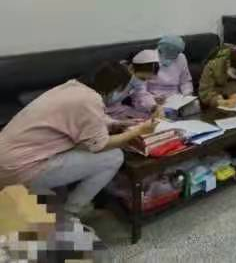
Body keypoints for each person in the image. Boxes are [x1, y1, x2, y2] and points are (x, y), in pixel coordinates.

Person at [0, 61, 157, 219]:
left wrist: (115, 123)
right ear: (114, 87)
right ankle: (71, 212)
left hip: (7, 158)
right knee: (114, 156)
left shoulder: (72, 87)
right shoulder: (90, 100)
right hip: (21, 168)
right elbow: (99, 145)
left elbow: (84, 116)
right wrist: (138, 131)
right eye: (120, 89)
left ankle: (55, 204)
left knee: (80, 148)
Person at [132, 35, 194, 111]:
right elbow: (140, 88)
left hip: (175, 97)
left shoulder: (181, 58)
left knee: (193, 107)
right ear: (160, 49)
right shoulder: (148, 58)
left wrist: (187, 95)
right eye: (169, 52)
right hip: (152, 96)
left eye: (176, 53)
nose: (174, 55)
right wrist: (153, 99)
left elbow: (185, 81)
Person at [105, 49, 161, 120]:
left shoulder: (136, 78)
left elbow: (142, 94)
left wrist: (153, 107)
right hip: (102, 112)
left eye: (147, 79)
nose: (143, 81)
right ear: (131, 68)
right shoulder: (112, 74)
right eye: (143, 78)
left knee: (148, 117)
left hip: (118, 108)